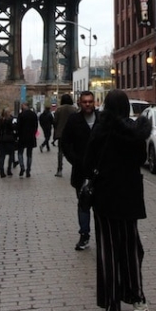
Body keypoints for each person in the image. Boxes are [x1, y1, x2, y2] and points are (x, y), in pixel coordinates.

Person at [82, 89, 152, 311]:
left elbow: (88, 162)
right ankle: (138, 301)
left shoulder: (99, 130)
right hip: (129, 197)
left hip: (104, 198)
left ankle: (112, 307)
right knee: (131, 249)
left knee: (107, 251)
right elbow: (141, 160)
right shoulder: (135, 133)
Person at [60, 90, 97, 250]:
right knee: (83, 205)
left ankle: (102, 235)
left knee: (100, 206)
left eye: (90, 101)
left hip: (99, 172)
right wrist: (74, 160)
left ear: (94, 102)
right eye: (85, 102)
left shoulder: (102, 119)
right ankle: (84, 235)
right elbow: (65, 143)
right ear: (79, 103)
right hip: (80, 171)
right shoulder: (74, 120)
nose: (88, 104)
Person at [53, 93, 76, 177]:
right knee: (74, 151)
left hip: (61, 134)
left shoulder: (59, 109)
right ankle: (75, 167)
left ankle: (59, 169)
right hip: (72, 134)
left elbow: (55, 121)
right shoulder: (74, 109)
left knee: (60, 152)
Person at [15, 101, 39, 177]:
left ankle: (22, 167)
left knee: (20, 152)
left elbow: (18, 126)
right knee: (29, 154)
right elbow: (36, 126)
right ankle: (28, 170)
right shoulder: (33, 115)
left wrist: (17, 135)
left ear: (25, 106)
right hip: (31, 136)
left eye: (22, 105)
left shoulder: (21, 115)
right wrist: (34, 133)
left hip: (22, 136)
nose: (22, 106)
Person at [0, 107, 17, 178]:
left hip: (2, 139)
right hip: (9, 139)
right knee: (11, 155)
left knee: (2, 156)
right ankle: (9, 170)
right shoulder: (10, 120)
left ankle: (2, 170)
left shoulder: (0, 120)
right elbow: (14, 127)